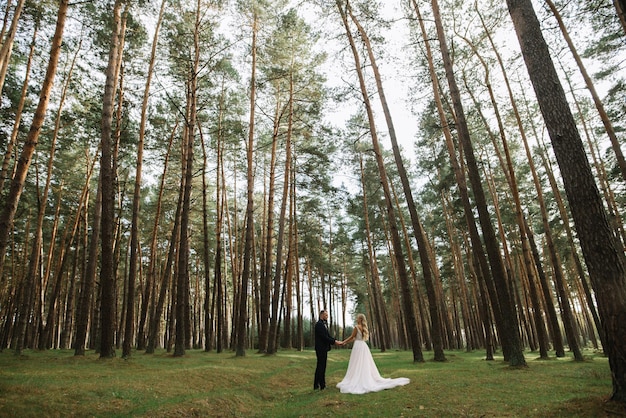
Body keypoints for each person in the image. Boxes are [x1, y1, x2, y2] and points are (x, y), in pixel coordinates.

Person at [336, 313, 410, 394]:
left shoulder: (356, 327)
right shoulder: (363, 328)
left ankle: (358, 378)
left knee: (356, 363)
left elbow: (352, 337)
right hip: (363, 346)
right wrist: (345, 342)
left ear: (360, 319)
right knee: (364, 363)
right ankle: (365, 377)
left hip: (357, 346)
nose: (356, 319)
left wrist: (343, 342)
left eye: (357, 318)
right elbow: (355, 338)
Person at [314, 309, 342, 390]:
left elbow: (328, 336)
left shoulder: (324, 324)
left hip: (323, 348)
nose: (327, 317)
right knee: (321, 366)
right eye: (326, 315)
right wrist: (335, 342)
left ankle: (317, 385)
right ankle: (321, 385)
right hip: (320, 348)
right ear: (322, 315)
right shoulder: (319, 324)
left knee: (321, 366)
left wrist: (335, 341)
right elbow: (324, 337)